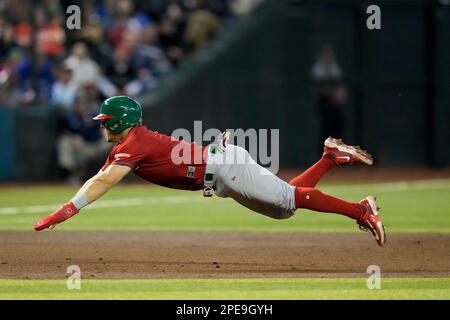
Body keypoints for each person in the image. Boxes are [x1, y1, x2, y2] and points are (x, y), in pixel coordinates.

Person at [34, 96, 386, 246]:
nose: (102, 125)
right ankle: (328, 157)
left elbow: (104, 181)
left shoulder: (133, 144)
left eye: (106, 120)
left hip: (223, 167)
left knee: (289, 198)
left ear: (120, 121)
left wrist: (63, 212)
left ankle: (361, 210)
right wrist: (66, 209)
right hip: (220, 173)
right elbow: (101, 177)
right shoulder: (127, 144)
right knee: (286, 208)